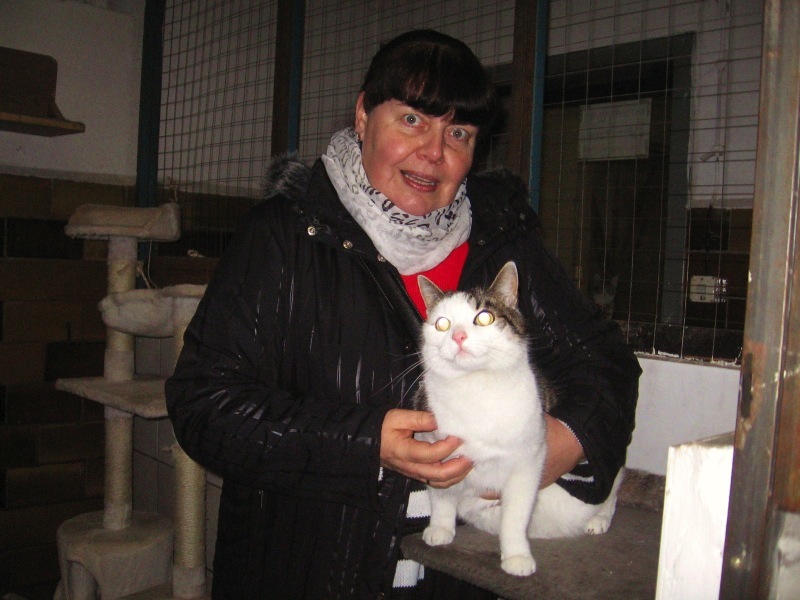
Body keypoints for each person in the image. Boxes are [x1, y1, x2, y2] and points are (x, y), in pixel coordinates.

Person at [166, 29, 641, 600]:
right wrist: (365, 444)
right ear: (363, 115)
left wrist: (560, 442)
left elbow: (606, 364)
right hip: (311, 569)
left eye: (458, 133)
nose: (434, 153)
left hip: (460, 575)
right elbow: (203, 404)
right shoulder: (282, 237)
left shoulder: (503, 239)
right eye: (412, 120)